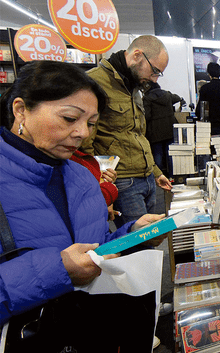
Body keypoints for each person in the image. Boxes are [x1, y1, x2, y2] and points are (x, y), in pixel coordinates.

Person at [0, 60, 166, 349]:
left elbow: (93, 248)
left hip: (89, 331)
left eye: (91, 123)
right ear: (20, 110)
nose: (83, 133)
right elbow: (68, 263)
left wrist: (133, 235)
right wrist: (58, 270)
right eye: (69, 118)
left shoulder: (80, 176)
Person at [81, 35, 173, 228]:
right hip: (123, 181)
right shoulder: (94, 83)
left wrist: (156, 172)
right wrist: (100, 187)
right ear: (137, 55)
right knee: (138, 245)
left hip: (146, 178)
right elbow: (84, 145)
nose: (154, 79)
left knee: (150, 239)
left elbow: (137, 135)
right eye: (154, 71)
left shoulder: (133, 86)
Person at [143, 82, 182, 176]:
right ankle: (172, 177)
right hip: (170, 129)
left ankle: (159, 178)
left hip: (155, 131)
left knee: (158, 156)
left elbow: (147, 116)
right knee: (170, 155)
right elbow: (177, 98)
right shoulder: (167, 95)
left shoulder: (147, 98)